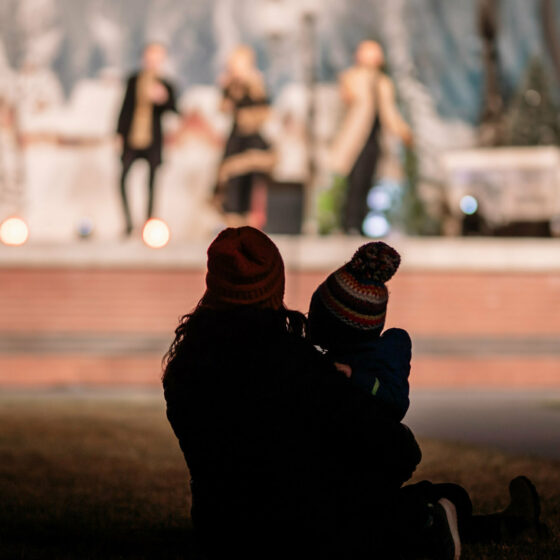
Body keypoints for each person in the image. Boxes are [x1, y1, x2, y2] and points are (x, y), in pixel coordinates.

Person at [162, 226, 547, 560]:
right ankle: (429, 520)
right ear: (273, 287)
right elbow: (397, 451)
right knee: (443, 496)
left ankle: (498, 526)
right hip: (300, 533)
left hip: (220, 535)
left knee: (422, 499)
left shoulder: (182, 367)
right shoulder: (295, 364)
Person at [308, 241, 411, 421]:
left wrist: (356, 378)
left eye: (315, 315)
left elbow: (395, 403)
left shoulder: (374, 363)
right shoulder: (331, 358)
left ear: (335, 329)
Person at [330, 40, 413, 235]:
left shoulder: (384, 83)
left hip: (374, 140)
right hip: (355, 138)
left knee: (368, 181)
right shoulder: (353, 77)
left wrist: (402, 131)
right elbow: (347, 99)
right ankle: (349, 224)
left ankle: (359, 223)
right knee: (355, 181)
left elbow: (389, 113)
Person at [116, 43, 177, 235]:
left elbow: (174, 109)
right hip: (132, 138)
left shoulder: (165, 83)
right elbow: (125, 107)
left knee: (151, 182)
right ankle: (128, 223)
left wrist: (163, 99)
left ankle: (149, 224)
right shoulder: (133, 80)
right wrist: (119, 133)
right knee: (123, 178)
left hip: (153, 141)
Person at [214, 46, 275, 228]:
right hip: (236, 140)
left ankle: (252, 223)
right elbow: (223, 108)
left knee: (253, 182)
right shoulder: (231, 85)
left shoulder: (256, 84)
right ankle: (233, 222)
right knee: (232, 183)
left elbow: (264, 109)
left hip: (252, 140)